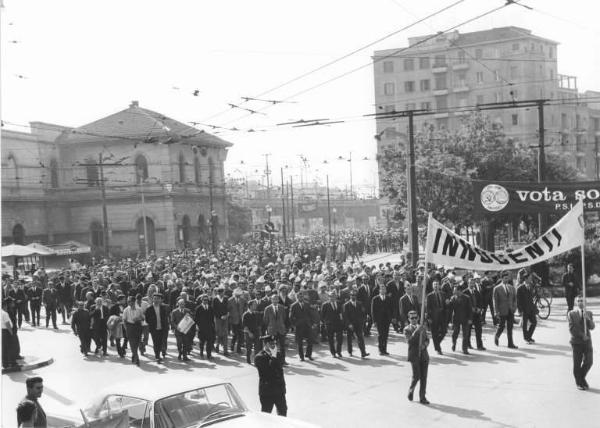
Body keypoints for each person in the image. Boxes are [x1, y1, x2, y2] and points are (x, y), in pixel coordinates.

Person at [254, 335, 287, 416]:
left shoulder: (277, 354)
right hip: (267, 392)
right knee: (266, 415)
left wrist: (283, 388)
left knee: (283, 412)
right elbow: (269, 371)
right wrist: (274, 356)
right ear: (265, 344)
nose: (273, 345)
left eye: (274, 343)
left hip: (279, 391)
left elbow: (280, 369)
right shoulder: (259, 357)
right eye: (271, 343)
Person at [568, 295, 595, 390]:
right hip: (576, 342)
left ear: (585, 302)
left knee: (589, 361)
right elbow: (572, 329)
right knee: (577, 363)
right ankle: (579, 382)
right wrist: (581, 335)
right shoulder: (571, 313)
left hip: (587, 341)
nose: (580, 302)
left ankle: (581, 377)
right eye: (578, 301)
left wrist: (588, 319)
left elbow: (592, 327)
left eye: (582, 301)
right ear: (576, 302)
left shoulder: (589, 313)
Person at [404, 310, 430, 405]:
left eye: (416, 318)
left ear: (418, 318)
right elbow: (409, 341)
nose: (414, 320)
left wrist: (424, 345)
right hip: (414, 355)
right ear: (409, 319)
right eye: (412, 318)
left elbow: (427, 339)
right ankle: (411, 390)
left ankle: (422, 397)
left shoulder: (422, 327)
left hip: (424, 355)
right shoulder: (407, 329)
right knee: (417, 376)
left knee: (424, 377)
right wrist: (416, 331)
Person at [493, 271, 518, 349]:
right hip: (502, 310)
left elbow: (515, 299)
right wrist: (496, 311)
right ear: (502, 278)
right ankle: (497, 336)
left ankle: (510, 344)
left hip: (510, 310)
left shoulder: (512, 287)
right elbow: (495, 301)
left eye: (508, 278)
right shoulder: (497, 288)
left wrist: (514, 307)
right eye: (505, 278)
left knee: (510, 328)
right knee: (501, 326)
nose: (507, 279)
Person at [144, 293, 170, 363]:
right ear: (152, 299)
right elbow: (146, 319)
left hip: (162, 328)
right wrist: (152, 323)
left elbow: (166, 318)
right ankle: (157, 356)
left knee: (161, 342)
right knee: (156, 342)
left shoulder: (163, 308)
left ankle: (159, 353)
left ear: (160, 300)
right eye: (155, 299)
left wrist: (167, 326)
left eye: (158, 299)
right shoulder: (149, 309)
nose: (156, 300)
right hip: (154, 329)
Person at [343, 289, 369, 358]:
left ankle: (363, 352)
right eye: (352, 295)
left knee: (361, 338)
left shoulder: (359, 303)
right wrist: (349, 324)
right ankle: (350, 351)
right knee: (349, 339)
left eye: (354, 295)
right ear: (350, 296)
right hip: (350, 325)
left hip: (358, 324)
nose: (353, 296)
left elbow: (363, 313)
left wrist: (363, 321)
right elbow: (345, 316)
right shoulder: (346, 305)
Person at [263, 293, 287, 365]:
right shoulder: (267, 309)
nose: (275, 300)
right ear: (271, 300)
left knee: (282, 346)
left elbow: (284, 318)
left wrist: (282, 325)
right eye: (274, 299)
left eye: (277, 299)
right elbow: (265, 320)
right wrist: (269, 327)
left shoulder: (282, 307)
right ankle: (274, 361)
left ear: (278, 300)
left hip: (281, 329)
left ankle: (283, 361)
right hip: (272, 330)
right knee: (273, 346)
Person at [289, 291, 314, 361]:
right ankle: (301, 357)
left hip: (307, 325)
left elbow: (310, 314)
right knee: (300, 342)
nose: (301, 298)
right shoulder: (293, 305)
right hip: (299, 326)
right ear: (297, 297)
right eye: (299, 297)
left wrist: (312, 323)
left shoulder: (307, 304)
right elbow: (290, 317)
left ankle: (309, 354)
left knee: (310, 341)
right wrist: (294, 325)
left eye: (302, 296)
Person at [448, 284, 472, 354]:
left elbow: (470, 309)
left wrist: (470, 319)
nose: (453, 291)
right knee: (455, 333)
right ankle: (454, 343)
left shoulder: (467, 298)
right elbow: (450, 309)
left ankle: (464, 349)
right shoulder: (452, 298)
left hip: (465, 319)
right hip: (456, 319)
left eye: (455, 290)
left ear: (459, 291)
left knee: (465, 334)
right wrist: (448, 303)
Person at [516, 270, 538, 344]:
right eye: (529, 278)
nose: (531, 279)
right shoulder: (520, 288)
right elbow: (518, 301)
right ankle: (526, 338)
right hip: (524, 309)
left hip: (531, 308)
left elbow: (532, 298)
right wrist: (520, 310)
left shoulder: (531, 286)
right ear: (526, 279)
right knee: (524, 325)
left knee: (534, 322)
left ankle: (528, 336)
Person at [371, 283, 393, 355]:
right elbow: (373, 311)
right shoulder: (375, 299)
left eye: (384, 289)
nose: (383, 290)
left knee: (386, 335)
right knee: (380, 335)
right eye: (381, 289)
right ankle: (380, 349)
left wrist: (391, 318)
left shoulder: (389, 298)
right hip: (379, 320)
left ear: (386, 290)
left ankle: (385, 349)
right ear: (379, 290)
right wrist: (374, 321)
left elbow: (391, 309)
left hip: (386, 320)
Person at [464, 278, 486, 351]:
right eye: (470, 283)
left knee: (479, 330)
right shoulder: (465, 292)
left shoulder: (477, 292)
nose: (472, 285)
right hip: (468, 315)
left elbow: (480, 301)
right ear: (468, 283)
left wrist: (480, 308)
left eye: (473, 283)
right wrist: (470, 309)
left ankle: (479, 345)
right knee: (468, 330)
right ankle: (468, 344)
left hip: (477, 314)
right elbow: (463, 304)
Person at [426, 281, 447, 355]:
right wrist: (428, 318)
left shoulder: (443, 294)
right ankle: (438, 349)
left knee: (444, 331)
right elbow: (428, 308)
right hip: (433, 317)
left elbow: (446, 305)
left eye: (437, 284)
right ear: (432, 286)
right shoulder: (429, 296)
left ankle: (437, 343)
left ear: (439, 286)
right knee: (434, 333)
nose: (436, 286)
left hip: (442, 316)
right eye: (434, 284)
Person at [321, 291, 344, 358]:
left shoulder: (339, 303)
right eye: (331, 296)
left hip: (338, 323)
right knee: (331, 339)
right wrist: (325, 323)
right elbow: (322, 315)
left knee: (340, 338)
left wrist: (342, 320)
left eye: (334, 296)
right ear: (329, 297)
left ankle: (339, 351)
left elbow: (341, 313)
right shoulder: (325, 304)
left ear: (336, 297)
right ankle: (333, 352)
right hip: (329, 324)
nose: (332, 298)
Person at [122, 296, 144, 366]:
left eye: (130, 301)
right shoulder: (126, 310)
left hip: (138, 326)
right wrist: (126, 329)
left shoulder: (139, 309)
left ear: (134, 302)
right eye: (128, 301)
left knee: (137, 343)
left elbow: (143, 318)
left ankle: (134, 354)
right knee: (132, 343)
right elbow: (124, 320)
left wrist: (138, 318)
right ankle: (137, 358)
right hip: (130, 327)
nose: (128, 303)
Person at [195, 294, 215, 360]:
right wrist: (197, 326)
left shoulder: (211, 308)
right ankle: (201, 352)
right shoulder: (198, 308)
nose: (206, 301)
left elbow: (212, 318)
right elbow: (196, 318)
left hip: (209, 328)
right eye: (204, 300)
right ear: (202, 300)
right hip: (201, 328)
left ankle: (209, 354)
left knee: (209, 342)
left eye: (207, 300)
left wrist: (213, 326)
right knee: (202, 341)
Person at [227, 289, 247, 354]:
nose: (238, 296)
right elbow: (228, 310)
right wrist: (230, 320)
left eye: (239, 295)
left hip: (241, 320)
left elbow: (245, 309)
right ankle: (232, 347)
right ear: (234, 294)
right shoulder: (230, 300)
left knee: (241, 335)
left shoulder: (243, 300)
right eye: (237, 295)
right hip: (233, 320)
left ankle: (238, 349)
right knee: (234, 335)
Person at [212, 285, 230, 356]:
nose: (223, 294)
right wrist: (220, 316)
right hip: (218, 319)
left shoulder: (226, 298)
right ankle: (217, 346)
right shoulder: (215, 299)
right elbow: (214, 310)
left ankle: (225, 350)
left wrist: (226, 315)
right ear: (219, 293)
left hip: (225, 318)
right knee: (219, 333)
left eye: (223, 292)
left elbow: (228, 308)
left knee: (225, 333)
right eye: (222, 292)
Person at [242, 300, 261, 364]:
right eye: (254, 305)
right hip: (248, 333)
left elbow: (258, 324)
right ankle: (248, 360)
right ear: (250, 306)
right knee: (249, 347)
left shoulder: (256, 313)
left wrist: (259, 332)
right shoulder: (245, 314)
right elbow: (244, 326)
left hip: (256, 332)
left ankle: (256, 361)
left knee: (257, 348)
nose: (255, 306)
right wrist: (249, 333)